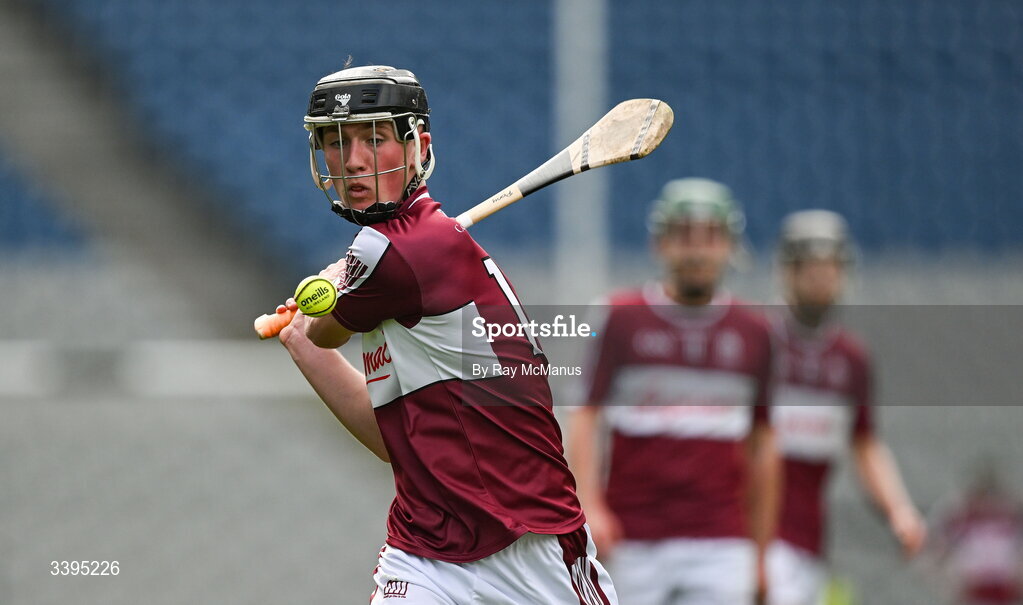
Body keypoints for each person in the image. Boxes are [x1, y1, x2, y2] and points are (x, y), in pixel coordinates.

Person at [273, 63, 617, 605]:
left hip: (531, 547)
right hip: (424, 552)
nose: (355, 160)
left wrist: (319, 306)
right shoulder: (395, 257)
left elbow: (327, 329)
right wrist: (299, 337)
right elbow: (394, 445)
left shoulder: (401, 254)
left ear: (418, 146)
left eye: (375, 138)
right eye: (336, 141)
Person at [566, 178, 779, 605]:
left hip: (722, 540)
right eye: (684, 237)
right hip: (632, 536)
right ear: (659, 242)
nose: (697, 251)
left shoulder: (756, 332)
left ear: (730, 245)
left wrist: (761, 551)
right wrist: (590, 505)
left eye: (710, 238)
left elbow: (764, 444)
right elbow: (585, 415)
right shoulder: (619, 318)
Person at [766, 210, 927, 605]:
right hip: (757, 537)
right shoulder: (760, 343)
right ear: (788, 271)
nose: (822, 277)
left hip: (811, 542)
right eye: (810, 266)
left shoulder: (851, 359)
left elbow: (864, 442)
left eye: (830, 266)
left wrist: (900, 511)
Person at [927, 461, 1023, 605]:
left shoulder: (1013, 515)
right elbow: (936, 548)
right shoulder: (960, 515)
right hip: (973, 591)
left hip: (1005, 591)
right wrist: (948, 581)